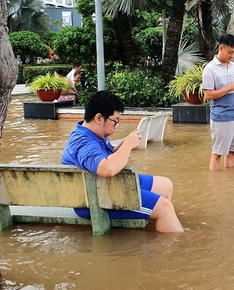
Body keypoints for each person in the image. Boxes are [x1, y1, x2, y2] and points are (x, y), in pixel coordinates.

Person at [61, 91, 184, 233]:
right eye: (115, 121)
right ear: (99, 118)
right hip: (95, 200)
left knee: (166, 185)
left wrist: (123, 144)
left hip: (107, 187)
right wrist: (128, 145)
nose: (117, 125)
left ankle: (161, 225)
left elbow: (103, 158)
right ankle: (173, 245)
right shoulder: (82, 143)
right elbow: (107, 169)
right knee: (164, 208)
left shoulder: (93, 134)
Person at [202, 34, 234, 171]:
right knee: (217, 154)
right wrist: (230, 88)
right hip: (221, 117)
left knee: (232, 152)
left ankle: (229, 182)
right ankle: (216, 184)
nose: (232, 55)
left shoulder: (233, 67)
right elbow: (208, 95)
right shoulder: (209, 69)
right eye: (230, 52)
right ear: (221, 48)